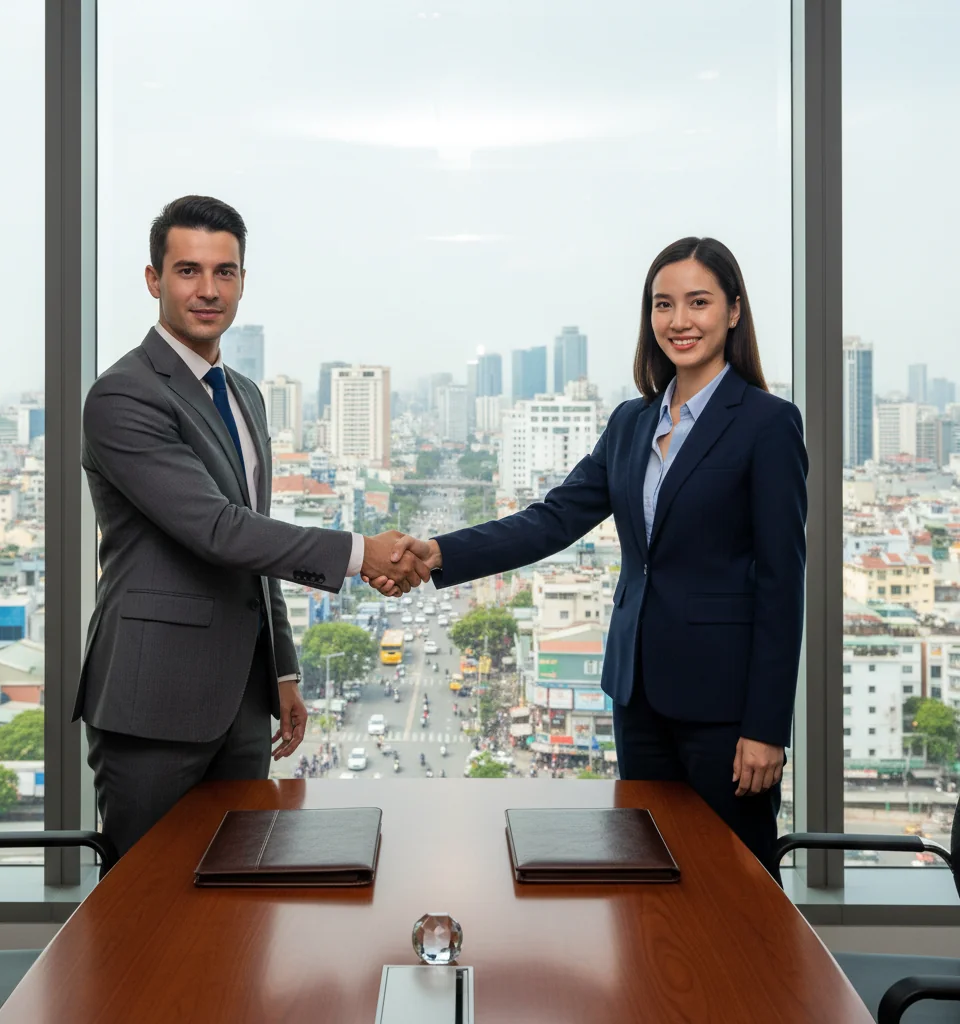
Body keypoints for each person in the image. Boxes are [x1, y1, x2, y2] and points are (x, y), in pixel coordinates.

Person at [368, 237, 807, 881]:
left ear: (734, 312)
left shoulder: (767, 424)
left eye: (698, 302)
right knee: (647, 877)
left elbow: (781, 583)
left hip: (724, 708)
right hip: (638, 694)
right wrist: (437, 554)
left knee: (731, 886)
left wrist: (768, 727)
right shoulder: (631, 423)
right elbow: (553, 519)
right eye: (663, 305)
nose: (679, 321)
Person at [75, 195, 431, 858]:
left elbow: (254, 535)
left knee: (234, 895)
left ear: (241, 281)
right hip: (152, 698)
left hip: (240, 698)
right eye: (187, 271)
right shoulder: (124, 394)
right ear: (153, 280)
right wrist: (362, 553)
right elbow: (217, 529)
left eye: (225, 272)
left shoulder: (243, 394)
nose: (208, 290)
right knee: (143, 906)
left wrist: (283, 671)